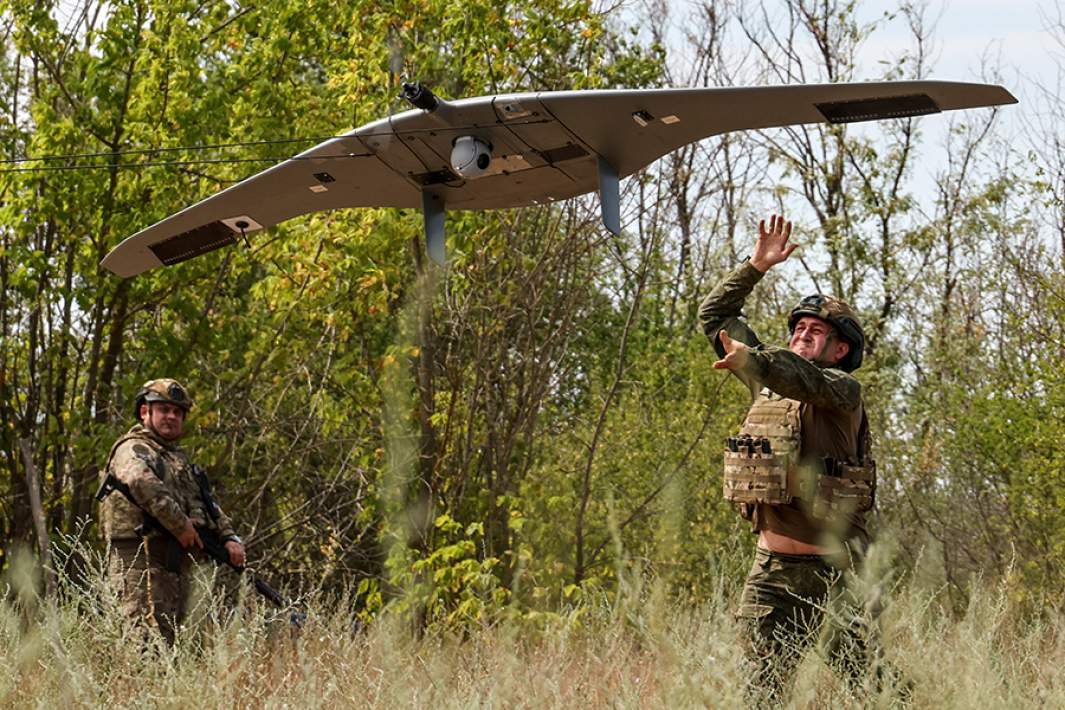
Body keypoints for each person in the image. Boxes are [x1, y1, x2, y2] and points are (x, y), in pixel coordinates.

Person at [699, 215, 881, 703]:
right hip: (772, 575)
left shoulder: (843, 390)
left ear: (840, 348)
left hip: (837, 573)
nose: (801, 333)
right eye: (798, 327)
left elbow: (803, 379)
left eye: (815, 330)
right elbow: (714, 317)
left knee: (872, 693)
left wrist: (755, 359)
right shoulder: (766, 376)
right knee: (761, 695)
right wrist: (756, 266)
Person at [98, 378, 245, 644]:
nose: (171, 416)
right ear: (145, 412)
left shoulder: (178, 460)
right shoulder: (133, 448)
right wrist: (180, 525)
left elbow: (207, 502)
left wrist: (228, 537)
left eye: (177, 412)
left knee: (174, 644)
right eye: (164, 409)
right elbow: (141, 482)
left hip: (174, 563)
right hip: (138, 560)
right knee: (141, 643)